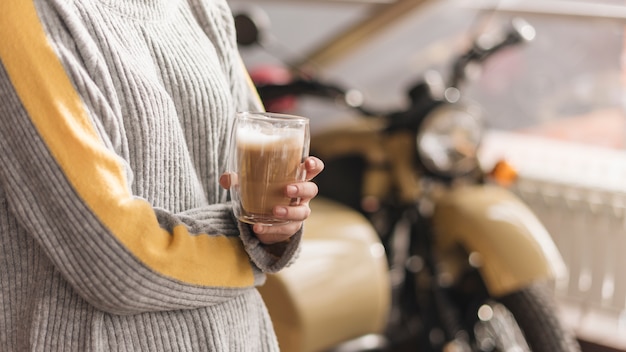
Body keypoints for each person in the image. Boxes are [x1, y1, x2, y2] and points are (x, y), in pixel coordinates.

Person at [0, 0, 323, 350]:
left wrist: (276, 227)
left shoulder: (203, 7)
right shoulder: (18, 13)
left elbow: (263, 189)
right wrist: (250, 246)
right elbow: (115, 261)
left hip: (243, 337)